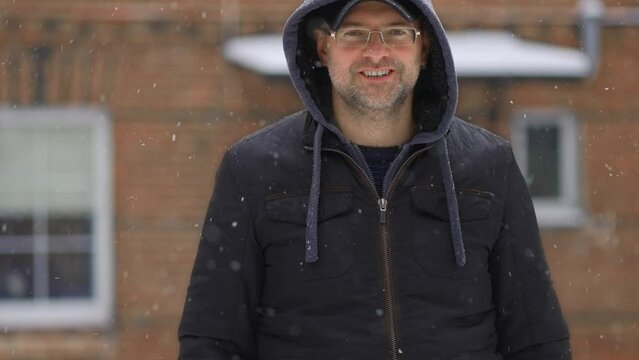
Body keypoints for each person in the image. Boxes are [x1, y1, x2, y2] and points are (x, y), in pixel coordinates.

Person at [178, 0, 572, 359]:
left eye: (396, 32)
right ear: (323, 48)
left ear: (424, 46)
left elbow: (536, 339)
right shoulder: (253, 170)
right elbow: (212, 340)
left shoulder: (489, 166)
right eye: (354, 33)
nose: (377, 51)